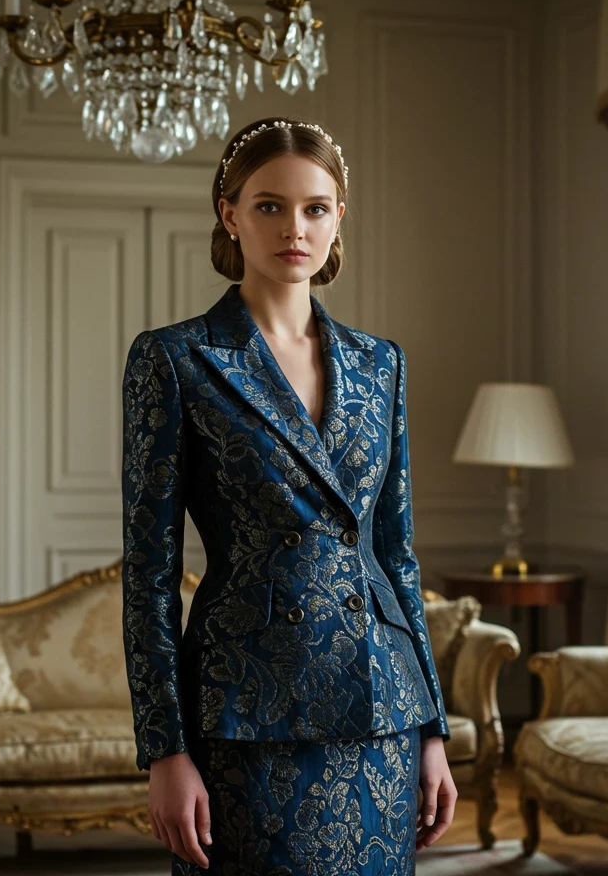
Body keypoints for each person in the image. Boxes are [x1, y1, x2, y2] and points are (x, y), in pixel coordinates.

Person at [120, 117, 457, 875]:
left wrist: (432, 727)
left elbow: (395, 557)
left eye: (315, 207)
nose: (293, 228)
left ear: (339, 218)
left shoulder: (380, 365)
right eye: (269, 206)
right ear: (229, 213)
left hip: (382, 713)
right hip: (249, 716)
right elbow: (147, 576)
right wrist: (164, 751)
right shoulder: (175, 359)